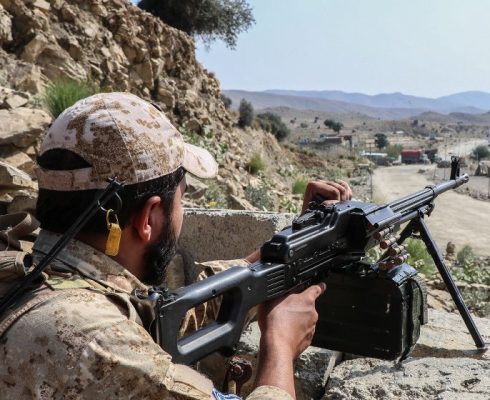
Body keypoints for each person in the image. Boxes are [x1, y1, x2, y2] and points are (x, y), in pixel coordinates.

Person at [0, 92, 352, 399]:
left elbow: (164, 313)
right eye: (183, 197)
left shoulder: (31, 270)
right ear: (149, 217)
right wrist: (280, 346)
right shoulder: (97, 343)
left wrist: (292, 241)